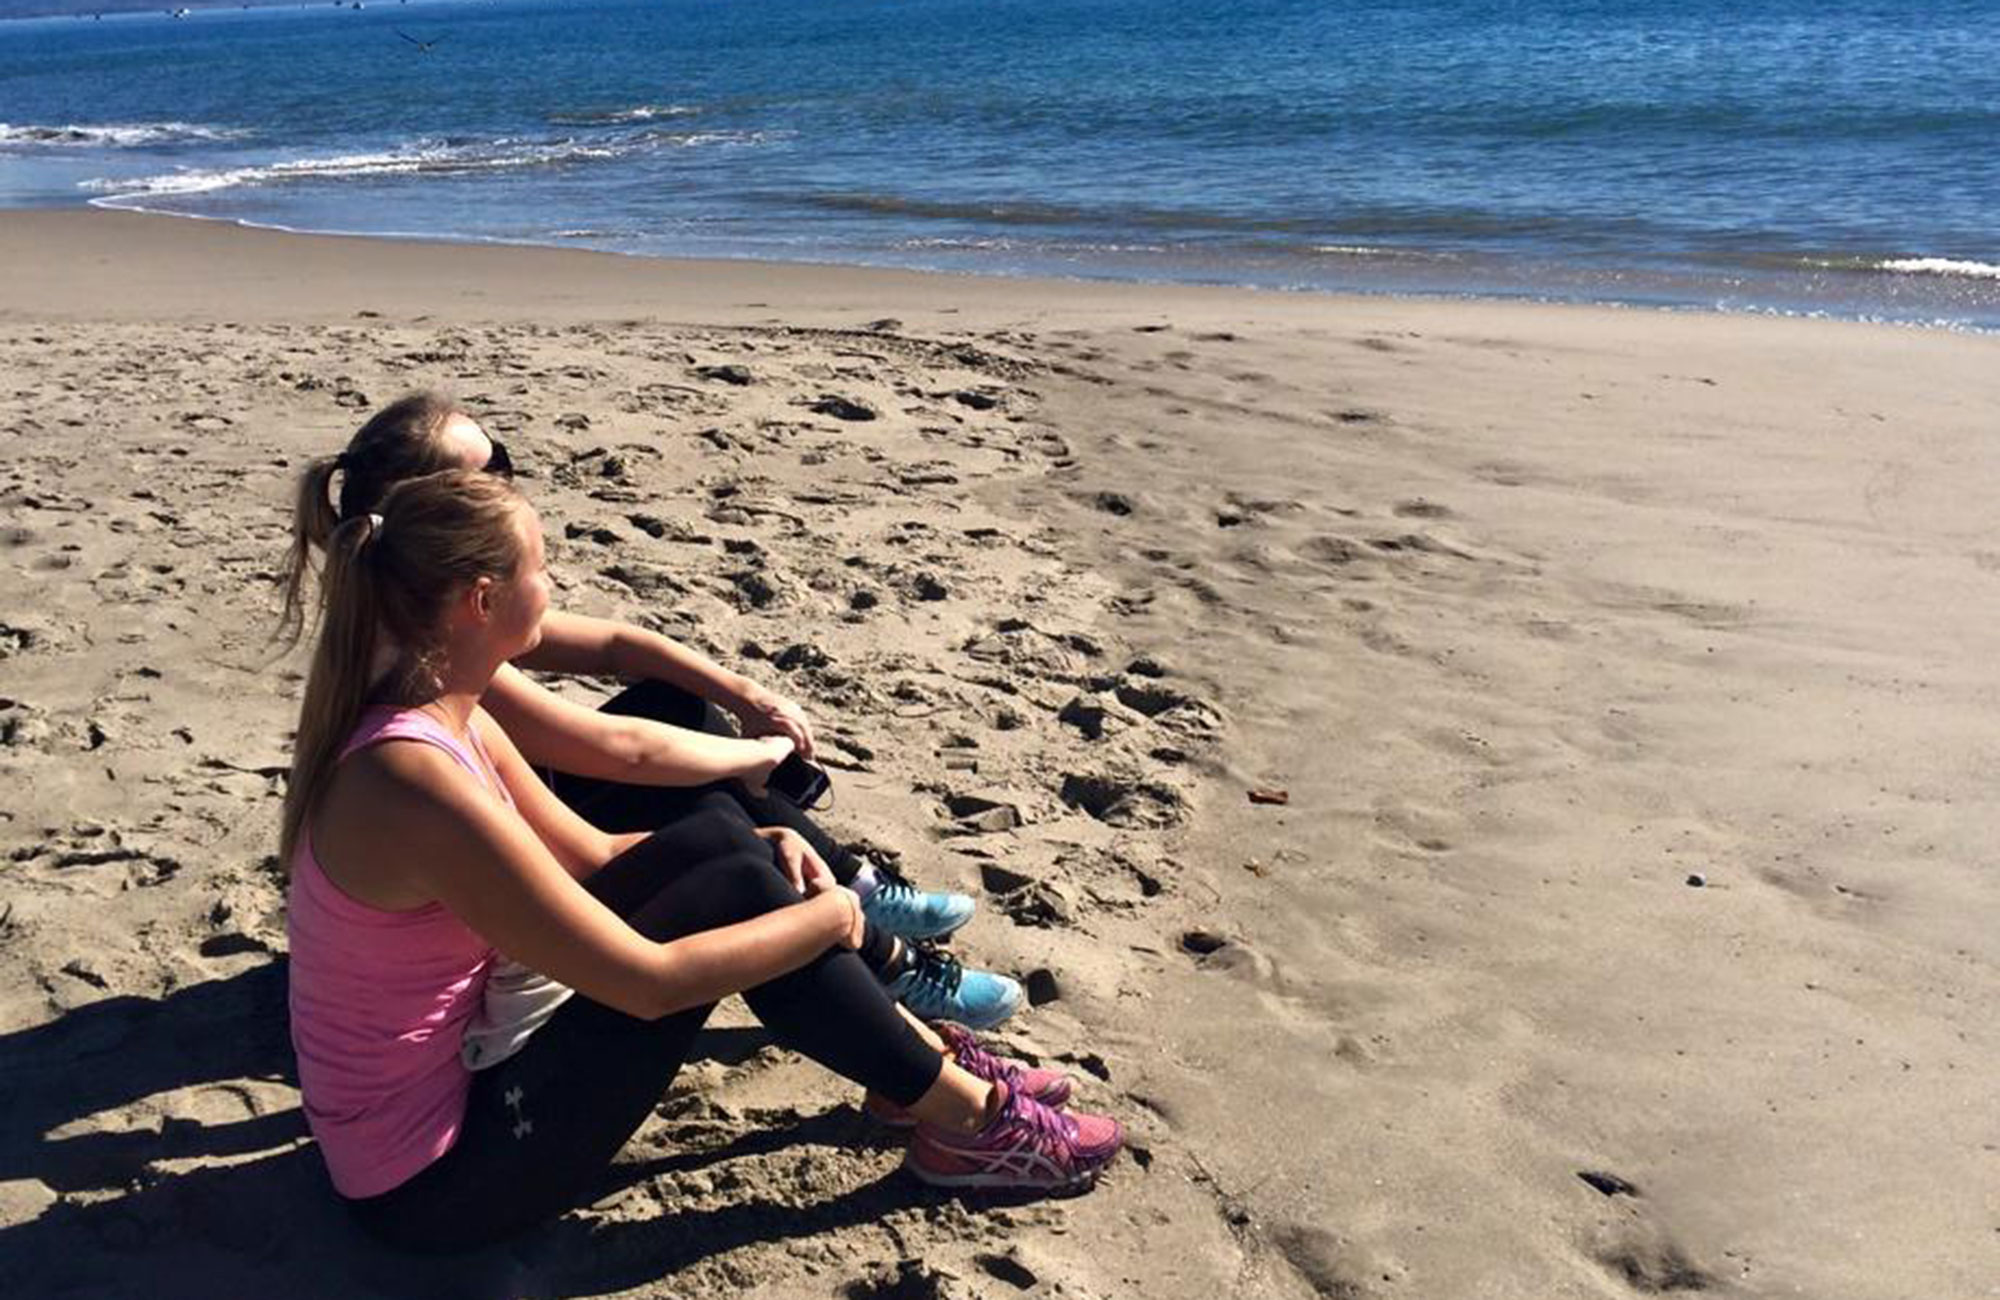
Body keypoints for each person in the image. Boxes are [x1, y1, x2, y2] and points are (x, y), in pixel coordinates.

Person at [282, 469, 1121, 1251]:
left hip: (467, 1089)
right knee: (750, 894)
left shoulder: (445, 718)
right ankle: (968, 1119)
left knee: (728, 847)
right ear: (481, 599)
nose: (553, 584)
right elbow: (648, 985)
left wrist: (764, 845)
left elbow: (596, 855)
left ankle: (919, 1074)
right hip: (433, 1184)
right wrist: (830, 915)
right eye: (541, 567)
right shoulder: (411, 778)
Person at [279, 391, 1018, 1030]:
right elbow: (613, 749)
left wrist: (745, 695)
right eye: (490, 473)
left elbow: (614, 645)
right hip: (506, 849)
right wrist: (758, 757)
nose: (510, 484)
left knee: (680, 714)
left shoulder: (422, 609)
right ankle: (879, 957)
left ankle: (854, 896)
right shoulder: (428, 664)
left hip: (509, 825)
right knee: (719, 826)